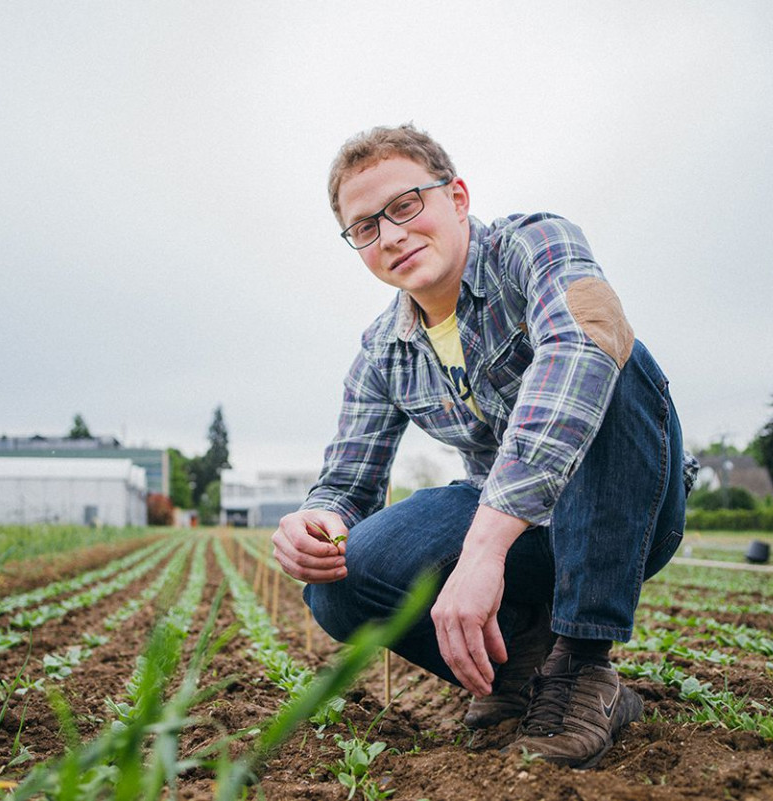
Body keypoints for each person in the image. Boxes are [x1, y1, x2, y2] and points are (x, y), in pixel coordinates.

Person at [271, 123, 697, 768]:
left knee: (609, 344)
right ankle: (523, 669)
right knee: (338, 580)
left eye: (406, 205)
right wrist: (319, 523)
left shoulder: (534, 244)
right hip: (521, 538)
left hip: (627, 515)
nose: (391, 235)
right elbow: (346, 485)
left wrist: (484, 547)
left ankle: (582, 664)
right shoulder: (382, 349)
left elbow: (583, 344)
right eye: (365, 227)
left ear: (459, 198)